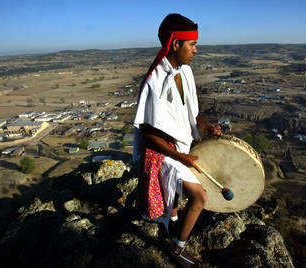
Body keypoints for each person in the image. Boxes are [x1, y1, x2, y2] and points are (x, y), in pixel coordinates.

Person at [133, 13, 221, 266]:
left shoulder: (186, 73)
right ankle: (178, 249)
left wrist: (205, 127)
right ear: (175, 44)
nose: (195, 50)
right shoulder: (154, 81)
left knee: (173, 204)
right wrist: (182, 157)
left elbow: (193, 112)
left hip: (180, 149)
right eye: (191, 45)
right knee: (199, 197)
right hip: (162, 153)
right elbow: (149, 135)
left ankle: (169, 227)